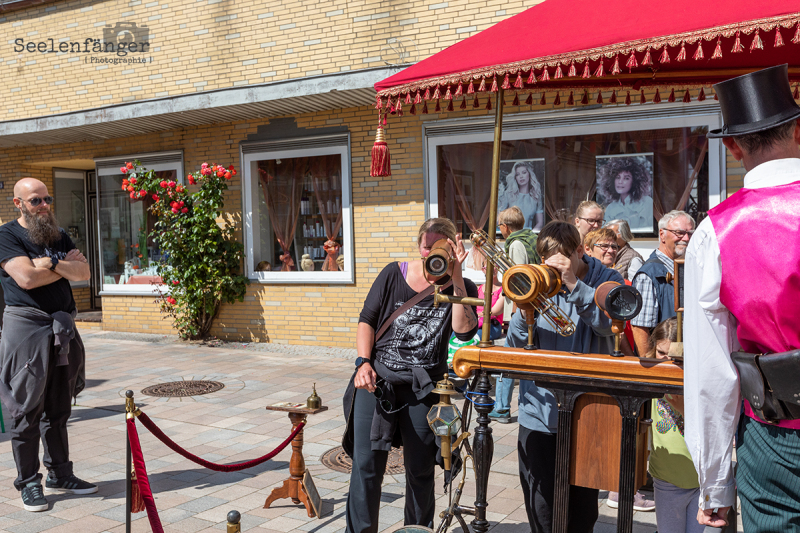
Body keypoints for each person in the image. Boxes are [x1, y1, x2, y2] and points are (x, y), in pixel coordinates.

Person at [683, 64, 800, 530]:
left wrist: (714, 483)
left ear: (731, 146)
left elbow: (710, 373)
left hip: (775, 438)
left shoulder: (714, 232)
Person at [343, 218, 479, 533]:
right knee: (366, 467)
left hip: (423, 388)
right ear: (419, 245)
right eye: (425, 244)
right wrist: (363, 362)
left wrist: (457, 277)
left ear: (452, 246)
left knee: (419, 470)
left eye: (438, 245)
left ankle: (417, 530)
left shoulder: (462, 286)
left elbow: (463, 329)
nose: (430, 250)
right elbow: (367, 319)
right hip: (378, 383)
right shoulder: (395, 273)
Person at [507, 221, 622, 533]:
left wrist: (574, 285)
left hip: (589, 414)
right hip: (539, 414)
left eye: (562, 260)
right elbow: (516, 346)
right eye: (548, 261)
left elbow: (611, 329)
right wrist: (522, 309)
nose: (554, 269)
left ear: (580, 251)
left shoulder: (608, 278)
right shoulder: (538, 280)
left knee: (582, 511)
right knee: (541, 507)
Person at [0, 178, 95, 512]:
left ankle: (60, 474)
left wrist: (51, 264)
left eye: (46, 198)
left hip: (62, 330)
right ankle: (28, 484)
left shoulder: (57, 235)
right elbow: (25, 278)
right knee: (25, 410)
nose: (43, 205)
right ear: (18, 203)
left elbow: (83, 272)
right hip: (27, 329)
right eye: (35, 200)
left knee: (58, 407)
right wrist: (63, 268)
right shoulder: (7, 236)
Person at [644, 318, 703, 533]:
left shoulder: (699, 380)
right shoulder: (650, 380)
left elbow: (711, 429)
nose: (668, 361)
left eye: (676, 356)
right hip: (667, 479)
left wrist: (683, 409)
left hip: (701, 480)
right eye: (661, 353)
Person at [489, 206, 538, 423]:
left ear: (505, 226)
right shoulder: (530, 239)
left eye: (500, 226)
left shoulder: (516, 244)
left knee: (507, 361)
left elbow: (520, 280)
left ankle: (501, 408)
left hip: (522, 310)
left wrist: (517, 311)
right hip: (530, 309)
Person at [629, 210, 694, 357]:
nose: (686, 238)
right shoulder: (648, 274)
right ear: (662, 235)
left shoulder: (690, 269)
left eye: (690, 233)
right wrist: (651, 370)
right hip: (664, 363)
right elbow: (640, 329)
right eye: (679, 233)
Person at [597, 158, 654, 232]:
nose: (620, 182)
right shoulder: (610, 208)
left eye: (626, 178)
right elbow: (606, 233)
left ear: (634, 181)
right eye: (618, 177)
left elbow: (648, 230)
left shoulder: (647, 202)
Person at [498, 161, 545, 231]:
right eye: (517, 174)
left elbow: (540, 222)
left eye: (524, 172)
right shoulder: (509, 194)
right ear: (515, 177)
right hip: (512, 235)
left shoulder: (536, 196)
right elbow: (499, 219)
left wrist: (530, 235)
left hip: (529, 235)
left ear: (529, 174)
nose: (521, 176)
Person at [475, 254, 504, 341]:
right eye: (488, 266)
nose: (492, 268)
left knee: (475, 337)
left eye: (494, 265)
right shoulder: (479, 288)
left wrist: (477, 315)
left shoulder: (503, 289)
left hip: (492, 325)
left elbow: (495, 311)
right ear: (483, 270)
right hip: (476, 323)